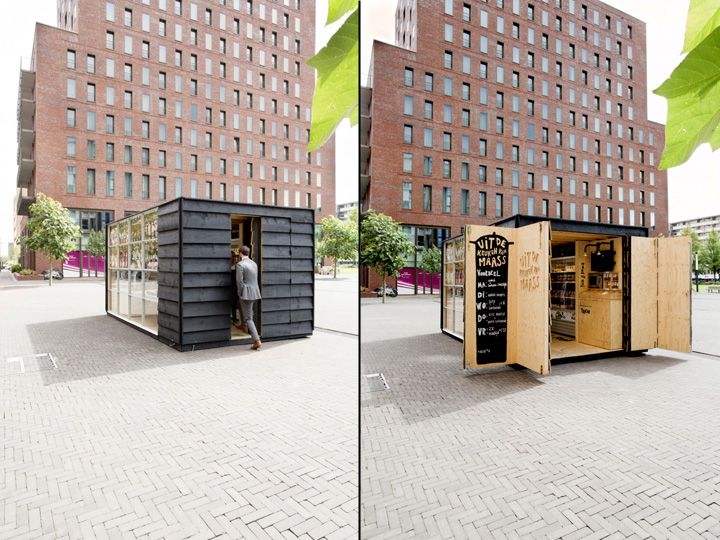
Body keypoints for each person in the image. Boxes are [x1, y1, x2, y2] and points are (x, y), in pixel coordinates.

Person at [236, 245, 262, 350]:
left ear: (240, 253)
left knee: (248, 318)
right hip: (255, 293)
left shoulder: (240, 265)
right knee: (245, 311)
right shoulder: (254, 264)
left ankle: (256, 340)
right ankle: (243, 326)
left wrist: (240, 293)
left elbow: (239, 282)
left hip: (246, 294)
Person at [230, 251, 240, 329]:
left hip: (234, 287)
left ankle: (233, 317)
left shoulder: (236, 266)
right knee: (232, 303)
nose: (234, 258)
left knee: (233, 303)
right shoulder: (234, 267)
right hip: (232, 287)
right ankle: (232, 317)